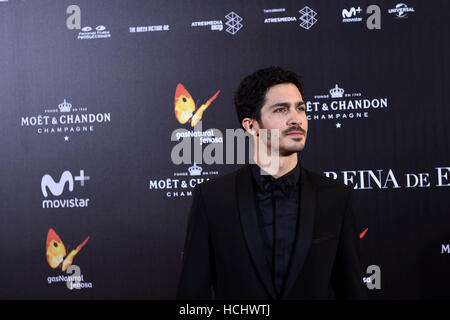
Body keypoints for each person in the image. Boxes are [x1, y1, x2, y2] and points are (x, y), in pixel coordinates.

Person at [176, 66, 366, 300]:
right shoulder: (213, 199)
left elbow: (353, 293)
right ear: (251, 125)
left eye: (300, 108)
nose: (296, 119)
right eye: (281, 110)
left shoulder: (336, 196)